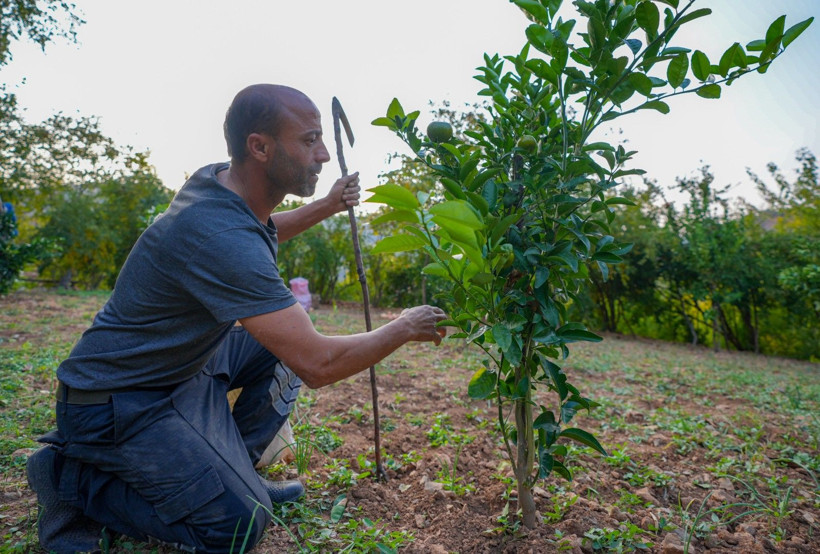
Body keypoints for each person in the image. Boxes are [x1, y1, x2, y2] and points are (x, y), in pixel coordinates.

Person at [26, 84, 447, 554]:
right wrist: (405, 326)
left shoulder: (221, 185)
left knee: (274, 351)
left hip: (173, 370)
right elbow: (318, 363)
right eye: (309, 140)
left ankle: (235, 474)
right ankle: (70, 479)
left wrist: (328, 205)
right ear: (260, 147)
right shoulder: (218, 233)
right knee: (237, 528)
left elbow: (261, 232)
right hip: (115, 403)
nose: (324, 154)